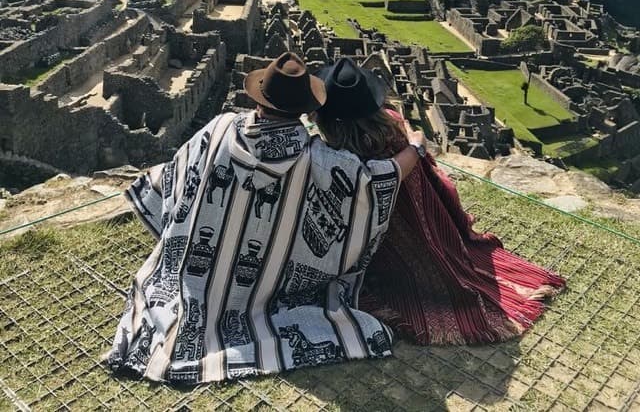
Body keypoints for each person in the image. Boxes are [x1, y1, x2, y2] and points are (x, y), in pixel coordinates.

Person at [105, 52, 425, 385]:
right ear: (305, 109)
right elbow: (375, 181)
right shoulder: (318, 160)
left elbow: (175, 175)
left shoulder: (220, 128)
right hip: (263, 294)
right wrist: (415, 148)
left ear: (260, 97)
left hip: (188, 284)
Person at [315, 58, 565, 346]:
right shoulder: (395, 124)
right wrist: (416, 144)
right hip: (428, 223)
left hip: (383, 244)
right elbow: (419, 161)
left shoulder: (340, 155)